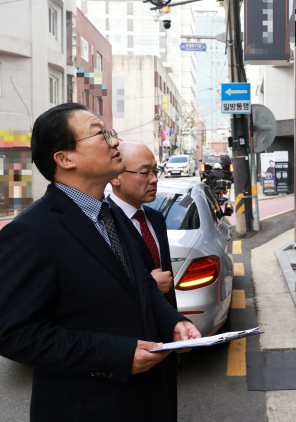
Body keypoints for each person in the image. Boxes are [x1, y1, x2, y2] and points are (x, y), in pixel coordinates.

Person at [0, 103, 200, 422]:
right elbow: (15, 335)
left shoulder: (111, 214)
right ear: (65, 158)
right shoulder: (29, 233)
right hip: (89, 407)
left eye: (111, 133)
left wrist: (173, 321)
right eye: (101, 134)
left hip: (149, 399)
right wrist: (115, 355)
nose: (115, 141)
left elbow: (139, 282)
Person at [107, 141, 179, 418]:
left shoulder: (156, 217)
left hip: (166, 342)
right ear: (116, 176)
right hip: (131, 349)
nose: (154, 179)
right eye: (145, 172)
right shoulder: (104, 223)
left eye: (155, 170)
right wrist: (145, 283)